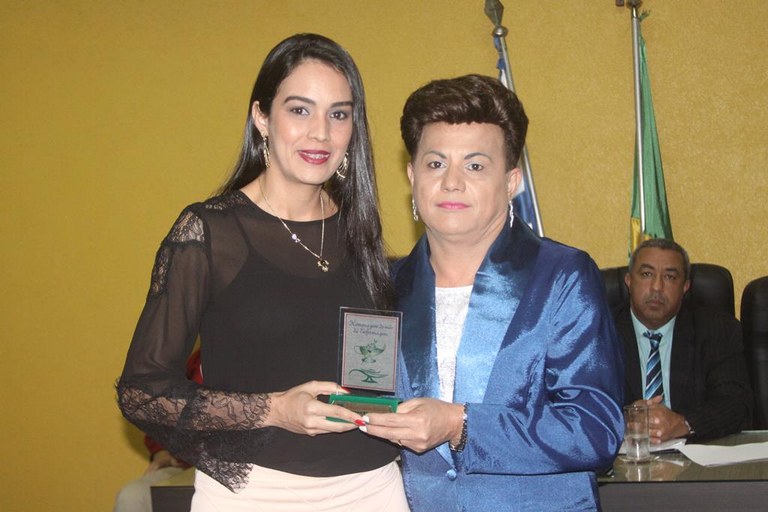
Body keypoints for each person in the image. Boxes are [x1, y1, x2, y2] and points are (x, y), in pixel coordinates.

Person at [117, 33, 408, 511]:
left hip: (373, 489)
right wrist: (274, 409)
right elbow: (141, 393)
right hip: (256, 493)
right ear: (262, 117)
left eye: (338, 114)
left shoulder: (360, 228)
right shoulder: (210, 232)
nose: (321, 133)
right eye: (300, 110)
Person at [361, 74, 624, 511]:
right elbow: (364, 406)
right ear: (411, 175)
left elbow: (595, 431)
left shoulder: (561, 277)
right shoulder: (382, 285)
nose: (451, 182)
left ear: (511, 181)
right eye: (435, 164)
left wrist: (460, 424)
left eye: (476, 166)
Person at [614, 238, 752, 443]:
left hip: (697, 455)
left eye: (669, 277)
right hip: (626, 456)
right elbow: (581, 404)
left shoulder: (718, 329)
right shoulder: (599, 332)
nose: (657, 287)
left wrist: (683, 423)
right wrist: (626, 420)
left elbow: (736, 404)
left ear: (685, 286)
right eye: (646, 274)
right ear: (629, 281)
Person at [114, 350, 202, 512]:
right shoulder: (198, 360)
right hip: (188, 468)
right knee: (133, 497)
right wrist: (162, 452)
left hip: (242, 473)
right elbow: (162, 414)